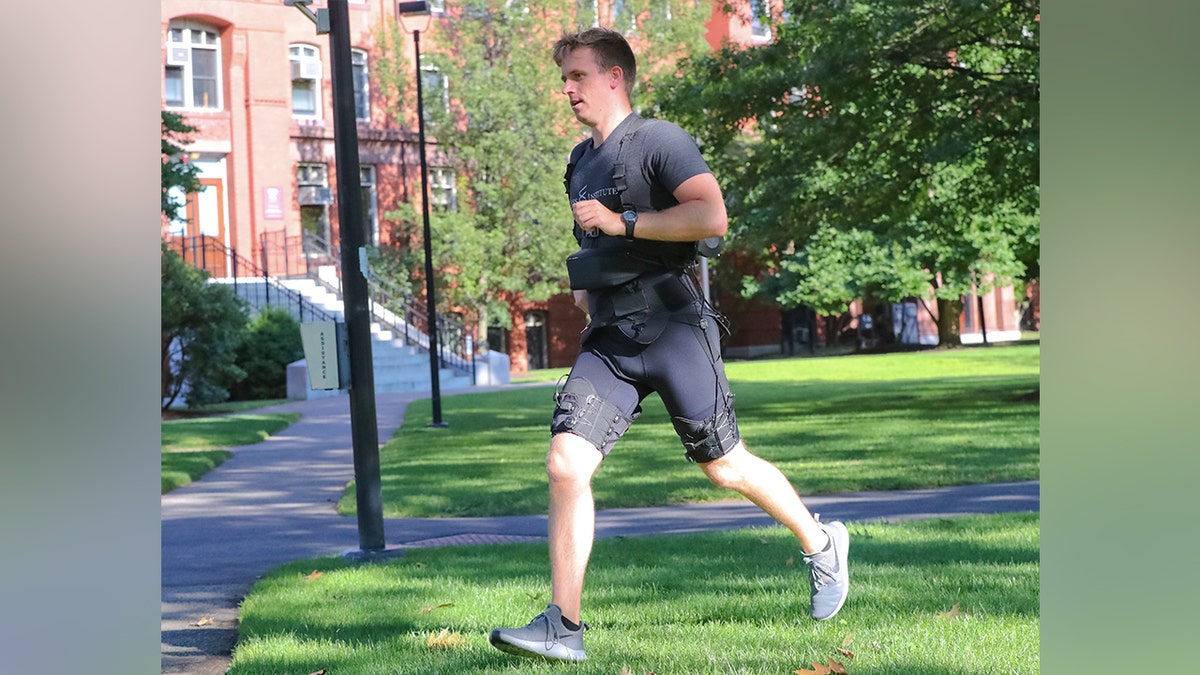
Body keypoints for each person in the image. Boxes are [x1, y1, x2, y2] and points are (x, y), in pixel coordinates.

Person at [489, 27, 849, 663]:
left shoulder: (661, 139)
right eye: (564, 78)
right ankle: (562, 625)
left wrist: (625, 221)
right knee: (566, 464)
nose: (566, 88)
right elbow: (598, 243)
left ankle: (821, 543)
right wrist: (587, 283)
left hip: (674, 326)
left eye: (576, 76)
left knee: (724, 465)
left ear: (613, 78)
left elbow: (711, 217)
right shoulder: (579, 161)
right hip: (611, 339)